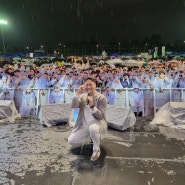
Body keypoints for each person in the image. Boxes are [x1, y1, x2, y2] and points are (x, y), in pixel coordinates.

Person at [68, 77, 107, 161]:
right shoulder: (82, 96)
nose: (89, 87)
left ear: (95, 85)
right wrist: (78, 93)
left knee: (93, 128)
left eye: (91, 84)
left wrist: (92, 106)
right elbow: (74, 106)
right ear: (83, 86)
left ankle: (96, 149)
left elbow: (101, 116)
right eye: (87, 85)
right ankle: (91, 137)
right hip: (84, 125)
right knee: (71, 141)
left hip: (97, 124)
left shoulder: (101, 98)